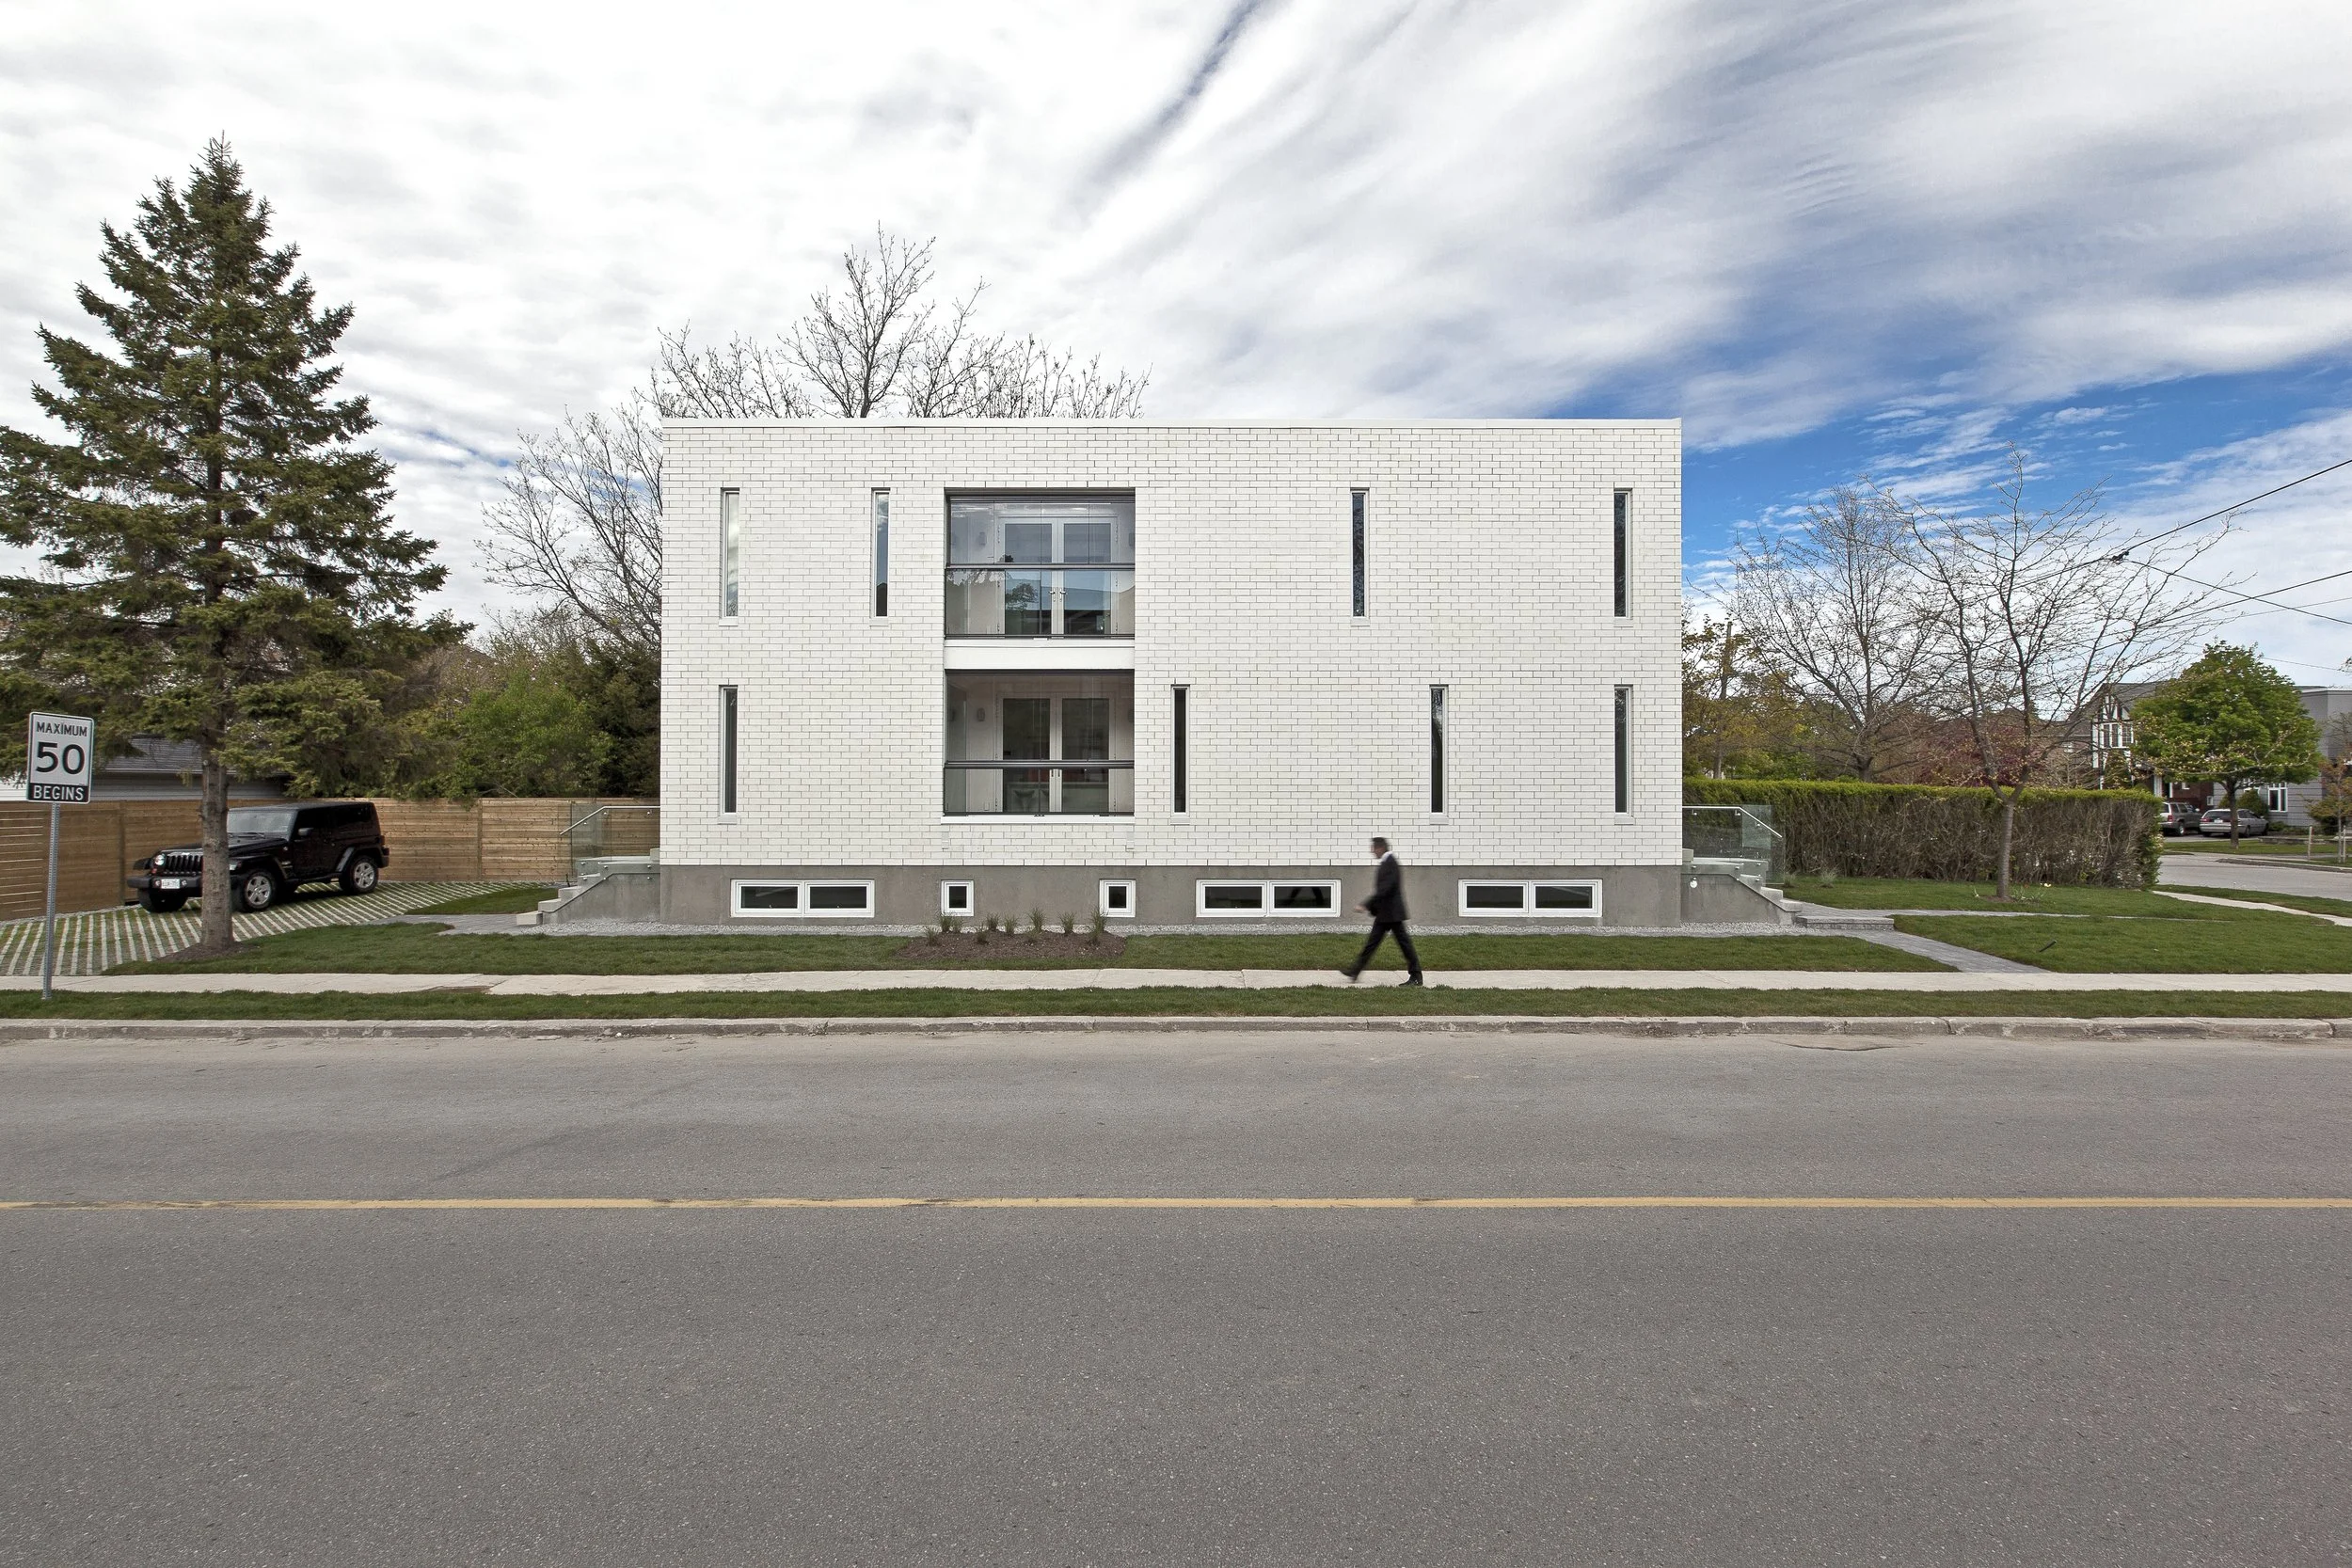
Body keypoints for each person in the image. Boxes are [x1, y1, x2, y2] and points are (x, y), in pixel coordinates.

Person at [1343, 836, 1423, 986]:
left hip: (1392, 913)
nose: (1372, 851)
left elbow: (1385, 889)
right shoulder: (1387, 863)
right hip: (1385, 913)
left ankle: (1416, 976)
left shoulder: (1390, 863)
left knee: (1404, 945)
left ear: (1380, 848)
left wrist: (1366, 904)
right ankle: (1354, 971)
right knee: (1372, 944)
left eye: (1373, 848)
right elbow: (1383, 890)